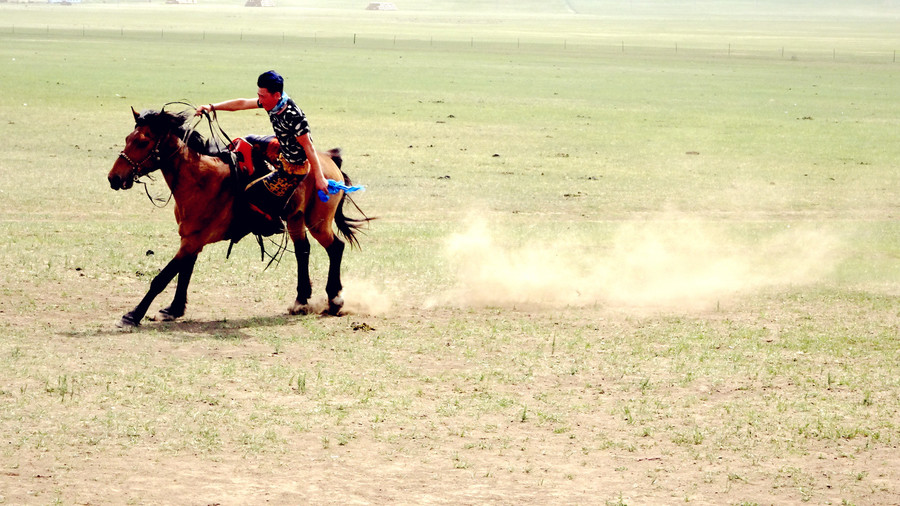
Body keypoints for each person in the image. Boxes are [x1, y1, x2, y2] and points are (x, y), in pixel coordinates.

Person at [196, 70, 329, 197]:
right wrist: (211, 107)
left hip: (294, 167)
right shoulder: (273, 103)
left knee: (252, 195)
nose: (260, 99)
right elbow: (242, 104)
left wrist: (320, 177)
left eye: (262, 96)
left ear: (276, 95)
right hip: (282, 148)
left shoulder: (294, 117)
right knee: (245, 142)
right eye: (259, 95)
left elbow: (308, 147)